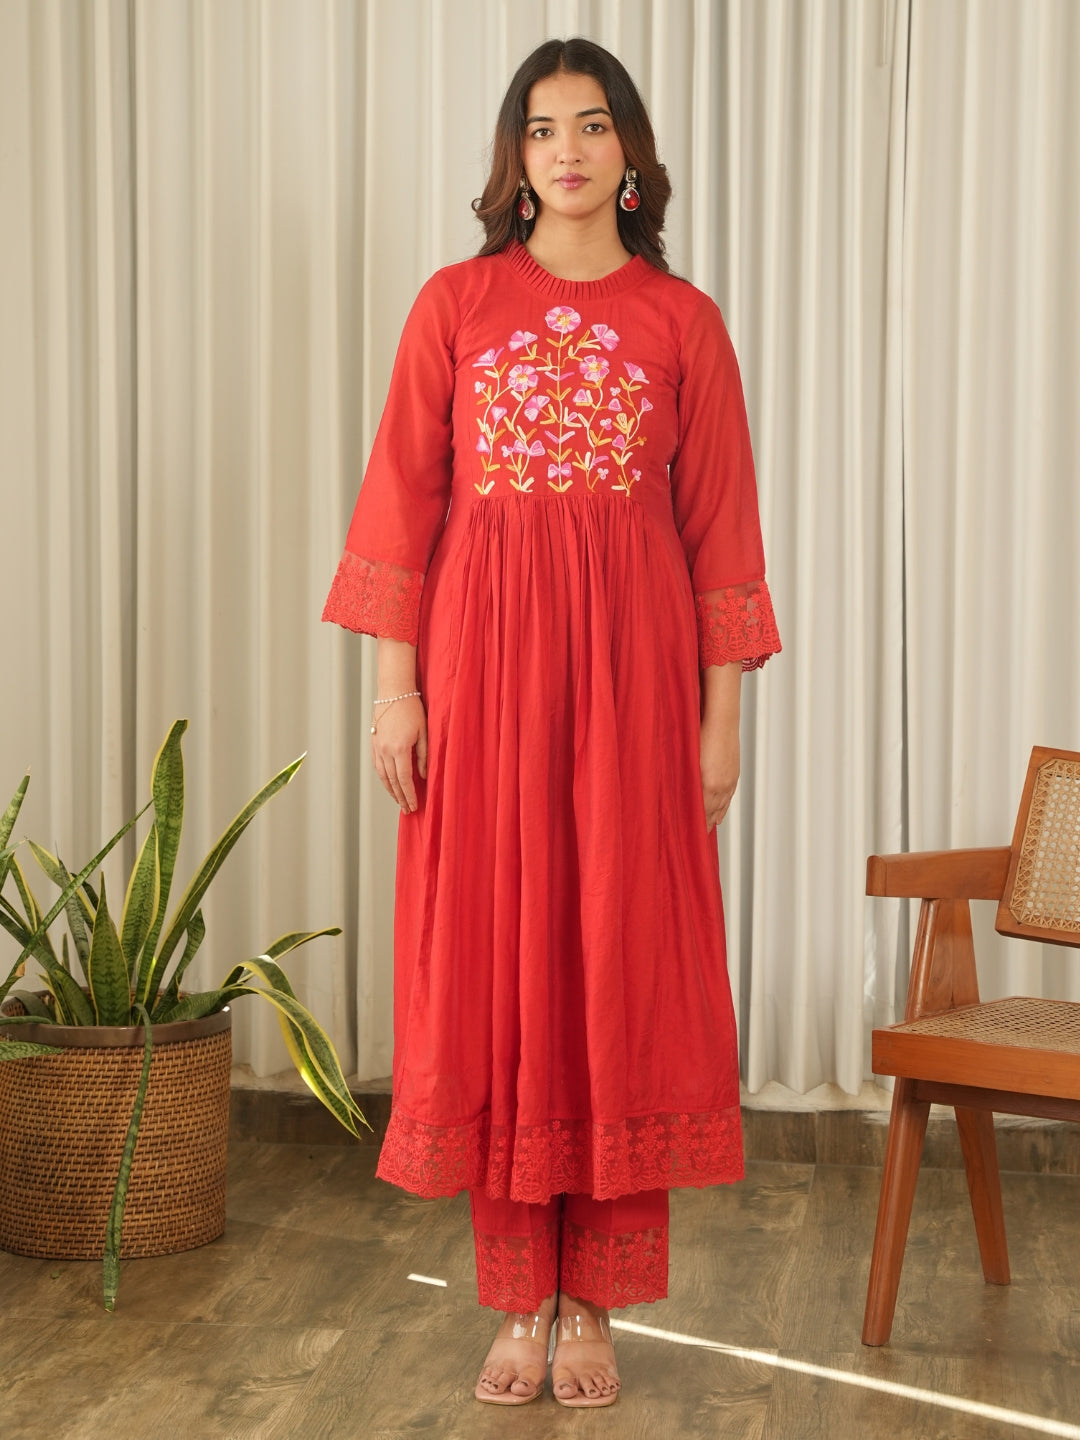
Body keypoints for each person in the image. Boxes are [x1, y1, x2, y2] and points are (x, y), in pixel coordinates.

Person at [323, 36, 780, 1409]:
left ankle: (597, 1302)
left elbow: (722, 536)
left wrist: (721, 724)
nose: (566, 151)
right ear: (514, 158)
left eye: (590, 126)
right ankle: (522, 1298)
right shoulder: (456, 304)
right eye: (540, 129)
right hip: (483, 685)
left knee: (614, 969)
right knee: (505, 969)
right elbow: (403, 506)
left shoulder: (682, 321)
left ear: (630, 152)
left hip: (635, 694)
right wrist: (396, 691)